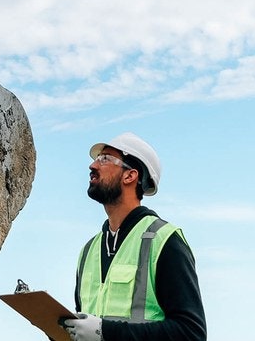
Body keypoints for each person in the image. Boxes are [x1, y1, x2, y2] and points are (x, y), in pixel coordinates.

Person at [59, 132, 207, 341]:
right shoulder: (88, 251)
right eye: (96, 159)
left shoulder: (164, 240)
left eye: (105, 159)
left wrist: (105, 332)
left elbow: (191, 333)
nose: (93, 166)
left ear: (130, 176)